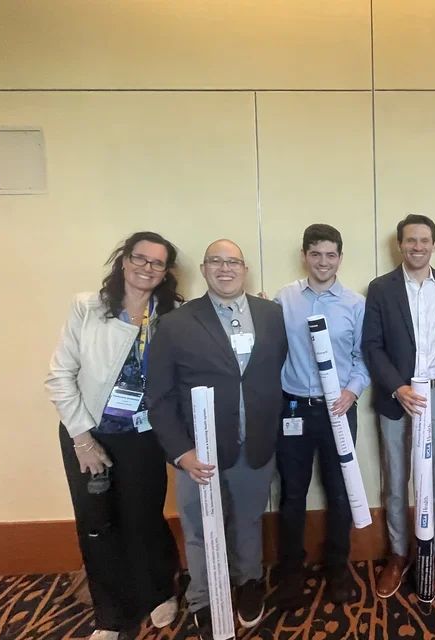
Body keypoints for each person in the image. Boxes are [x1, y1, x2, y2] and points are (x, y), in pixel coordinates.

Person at [146, 239, 287, 640]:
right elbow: (159, 398)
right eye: (216, 262)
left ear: (245, 270)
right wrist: (181, 452)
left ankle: (249, 583)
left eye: (233, 262)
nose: (225, 269)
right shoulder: (175, 323)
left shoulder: (271, 315)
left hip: (256, 442)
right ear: (204, 269)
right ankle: (204, 598)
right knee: (197, 525)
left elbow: (277, 371)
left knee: (248, 519)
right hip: (197, 451)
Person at [45, 231, 181, 640]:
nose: (147, 268)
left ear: (165, 272)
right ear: (124, 260)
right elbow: (59, 376)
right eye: (140, 258)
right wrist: (83, 440)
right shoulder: (88, 307)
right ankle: (110, 613)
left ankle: (157, 591)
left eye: (157, 263)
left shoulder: (172, 314)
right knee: (96, 525)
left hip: (143, 437)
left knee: (144, 518)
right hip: (89, 436)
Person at [362, 214, 435, 600]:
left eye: (424, 240)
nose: (417, 247)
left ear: (434, 244)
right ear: (400, 245)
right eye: (410, 241)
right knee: (396, 480)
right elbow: (371, 346)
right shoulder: (381, 288)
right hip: (397, 398)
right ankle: (398, 554)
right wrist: (397, 388)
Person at [272, 223, 371, 608]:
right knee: (292, 493)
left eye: (331, 255)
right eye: (316, 254)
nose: (323, 262)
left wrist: (352, 391)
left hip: (340, 410)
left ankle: (337, 567)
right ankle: (291, 572)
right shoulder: (284, 299)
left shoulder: (355, 304)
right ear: (304, 256)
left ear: (340, 258)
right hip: (293, 408)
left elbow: (364, 357)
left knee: (340, 491)